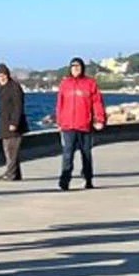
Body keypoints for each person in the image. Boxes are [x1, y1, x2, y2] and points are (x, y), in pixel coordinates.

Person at [56, 57, 106, 190]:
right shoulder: (65, 84)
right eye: (73, 66)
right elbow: (60, 104)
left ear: (82, 68)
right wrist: (59, 121)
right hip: (68, 126)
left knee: (86, 154)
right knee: (68, 154)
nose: (75, 68)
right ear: (70, 68)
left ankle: (88, 178)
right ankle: (65, 180)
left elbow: (97, 102)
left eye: (78, 66)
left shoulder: (90, 83)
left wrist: (99, 119)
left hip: (85, 125)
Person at [0, 63, 28, 181]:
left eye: (3, 75)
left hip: (14, 126)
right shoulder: (2, 88)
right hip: (4, 125)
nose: (1, 78)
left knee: (11, 151)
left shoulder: (14, 87)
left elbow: (18, 106)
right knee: (8, 151)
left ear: (7, 75)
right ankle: (15, 173)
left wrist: (15, 122)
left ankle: (11, 174)